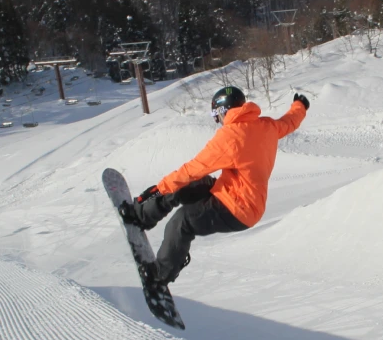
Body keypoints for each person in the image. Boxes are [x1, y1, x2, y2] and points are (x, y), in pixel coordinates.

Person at [124, 86, 309, 285]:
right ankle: (144, 216)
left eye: (215, 115)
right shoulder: (266, 126)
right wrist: (300, 106)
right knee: (186, 186)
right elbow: (289, 122)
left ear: (222, 111)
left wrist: (155, 190)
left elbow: (191, 169)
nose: (217, 121)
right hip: (235, 193)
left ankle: (161, 274)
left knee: (182, 221)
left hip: (238, 208)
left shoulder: (230, 137)